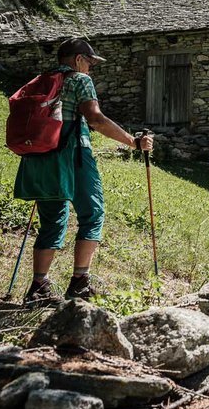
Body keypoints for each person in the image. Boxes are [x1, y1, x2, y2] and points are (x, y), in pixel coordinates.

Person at [15, 37, 153, 304]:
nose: (91, 68)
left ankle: (38, 286)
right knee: (92, 212)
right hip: (74, 153)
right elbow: (96, 119)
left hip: (40, 155)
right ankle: (80, 282)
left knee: (53, 220)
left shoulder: (42, 80)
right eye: (90, 62)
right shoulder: (80, 81)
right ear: (78, 59)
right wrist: (133, 142)